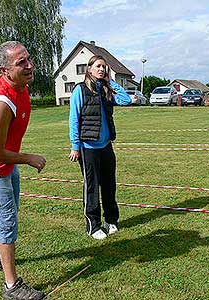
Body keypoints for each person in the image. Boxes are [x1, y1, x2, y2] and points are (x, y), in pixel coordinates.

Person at [0, 41, 46, 300]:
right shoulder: (2, 102)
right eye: (21, 63)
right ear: (5, 70)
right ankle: (12, 287)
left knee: (8, 209)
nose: (29, 66)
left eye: (29, 58)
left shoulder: (12, 82)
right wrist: (29, 158)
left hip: (5, 163)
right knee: (7, 222)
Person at [68, 55, 132, 240]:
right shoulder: (80, 90)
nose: (101, 69)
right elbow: (74, 119)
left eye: (104, 67)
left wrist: (110, 82)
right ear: (89, 69)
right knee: (92, 187)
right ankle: (93, 225)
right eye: (98, 66)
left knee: (109, 185)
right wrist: (75, 146)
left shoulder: (105, 89)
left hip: (105, 146)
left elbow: (126, 100)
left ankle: (111, 220)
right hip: (87, 147)